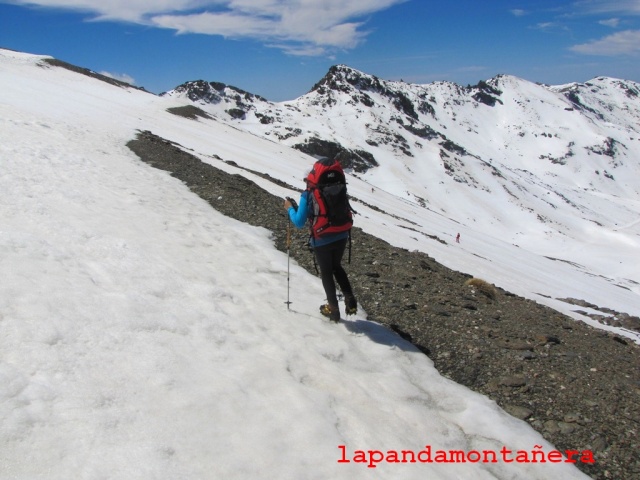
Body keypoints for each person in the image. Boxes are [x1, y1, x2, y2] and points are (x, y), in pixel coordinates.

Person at [284, 174, 357, 323]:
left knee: (326, 273)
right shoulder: (336, 188)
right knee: (336, 266)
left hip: (323, 238)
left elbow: (299, 222)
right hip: (342, 233)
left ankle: (334, 311)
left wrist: (290, 209)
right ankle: (350, 300)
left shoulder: (308, 193)